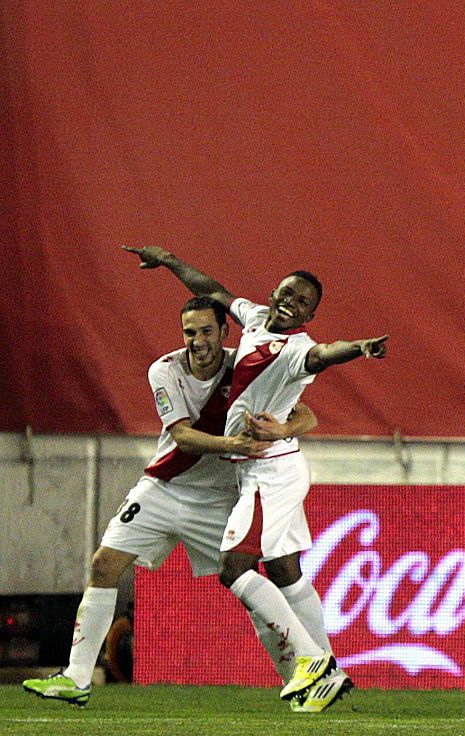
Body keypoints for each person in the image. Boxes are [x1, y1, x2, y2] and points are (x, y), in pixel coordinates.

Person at [120, 244, 389, 708]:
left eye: (303, 302)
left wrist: (359, 349)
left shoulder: (295, 349)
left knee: (234, 569)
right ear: (274, 292)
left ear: (311, 313)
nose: (292, 303)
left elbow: (324, 354)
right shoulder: (255, 318)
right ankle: (329, 670)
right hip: (260, 469)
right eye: (288, 293)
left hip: (271, 472)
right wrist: (168, 261)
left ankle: (311, 663)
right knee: (286, 572)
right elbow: (211, 290)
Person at [22, 297, 322, 707]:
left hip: (219, 498)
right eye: (189, 332)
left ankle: (304, 682)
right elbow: (181, 436)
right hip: (163, 489)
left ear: (224, 332)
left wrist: (285, 427)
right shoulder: (166, 369)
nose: (197, 342)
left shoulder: (246, 368)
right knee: (103, 565)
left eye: (205, 331)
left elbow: (307, 414)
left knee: (250, 586)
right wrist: (231, 443)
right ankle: (76, 678)